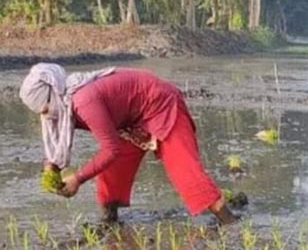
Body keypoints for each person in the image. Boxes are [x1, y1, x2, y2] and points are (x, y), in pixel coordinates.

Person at [18, 63, 238, 224]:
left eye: (46, 108)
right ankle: (109, 221)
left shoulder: (83, 101)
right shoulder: (62, 105)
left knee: (184, 171)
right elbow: (56, 142)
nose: (47, 116)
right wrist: (51, 168)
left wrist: (78, 178)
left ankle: (229, 222)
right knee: (113, 171)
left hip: (160, 104)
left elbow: (110, 148)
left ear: (53, 94)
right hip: (130, 118)